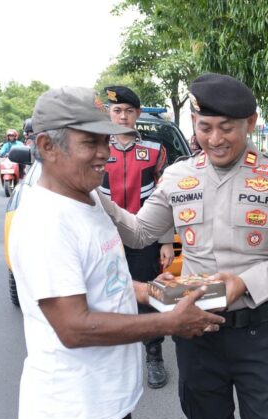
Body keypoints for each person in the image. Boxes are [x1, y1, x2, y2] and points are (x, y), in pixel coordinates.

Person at [99, 73, 268, 419]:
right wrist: (97, 199)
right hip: (197, 334)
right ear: (194, 126)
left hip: (260, 336)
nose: (215, 139)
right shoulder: (178, 176)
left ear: (250, 123)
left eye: (226, 128)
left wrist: (244, 283)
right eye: (205, 128)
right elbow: (141, 233)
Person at [8, 86, 224, 419]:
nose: (105, 153)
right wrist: (170, 323)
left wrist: (156, 292)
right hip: (73, 418)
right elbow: (74, 327)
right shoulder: (46, 223)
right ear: (47, 145)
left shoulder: (87, 200)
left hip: (105, 406)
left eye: (106, 140)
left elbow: (108, 283)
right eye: (90, 142)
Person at [100, 85, 175, 389]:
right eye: (117, 110)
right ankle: (109, 356)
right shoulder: (97, 147)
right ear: (109, 112)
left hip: (144, 237)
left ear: (138, 114)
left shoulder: (156, 150)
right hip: (104, 236)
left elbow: (166, 197)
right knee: (105, 293)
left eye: (129, 111)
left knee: (148, 294)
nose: (122, 116)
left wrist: (167, 239)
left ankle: (153, 354)